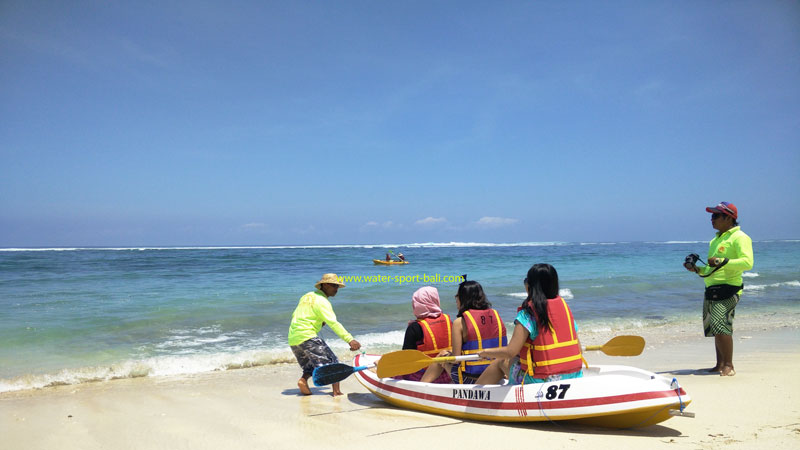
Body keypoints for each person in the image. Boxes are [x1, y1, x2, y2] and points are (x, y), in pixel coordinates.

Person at [477, 264, 583, 385]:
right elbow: (579, 349)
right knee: (515, 359)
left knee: (500, 361)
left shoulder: (527, 315)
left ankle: (472, 398)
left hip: (540, 380)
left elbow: (510, 351)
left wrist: (485, 352)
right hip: (574, 375)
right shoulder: (564, 310)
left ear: (530, 287)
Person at [684, 202, 753, 377]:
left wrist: (723, 261)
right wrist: (697, 269)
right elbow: (711, 268)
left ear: (729, 218)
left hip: (730, 288)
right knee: (714, 326)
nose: (712, 219)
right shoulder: (715, 240)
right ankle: (719, 364)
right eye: (712, 215)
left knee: (722, 325)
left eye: (716, 216)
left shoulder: (740, 237)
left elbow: (747, 263)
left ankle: (729, 365)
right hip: (711, 288)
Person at [288, 273, 361, 396]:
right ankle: (336, 392)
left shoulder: (307, 296)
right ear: (325, 285)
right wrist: (350, 339)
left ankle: (303, 380)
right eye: (334, 286)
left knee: (310, 365)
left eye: (337, 286)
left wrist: (317, 324)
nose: (336, 289)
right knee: (333, 362)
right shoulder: (323, 301)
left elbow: (297, 315)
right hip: (308, 336)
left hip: (293, 339)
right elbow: (333, 323)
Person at [421, 280, 507, 384]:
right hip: (495, 374)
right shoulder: (496, 316)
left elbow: (456, 359)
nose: (456, 300)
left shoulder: (460, 322)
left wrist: (446, 355)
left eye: (457, 296)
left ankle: (419, 389)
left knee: (442, 356)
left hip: (470, 379)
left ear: (463, 298)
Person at [395, 286, 452, 383]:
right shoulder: (449, 320)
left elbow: (405, 359)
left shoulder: (414, 327)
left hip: (425, 377)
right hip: (448, 373)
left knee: (396, 375)